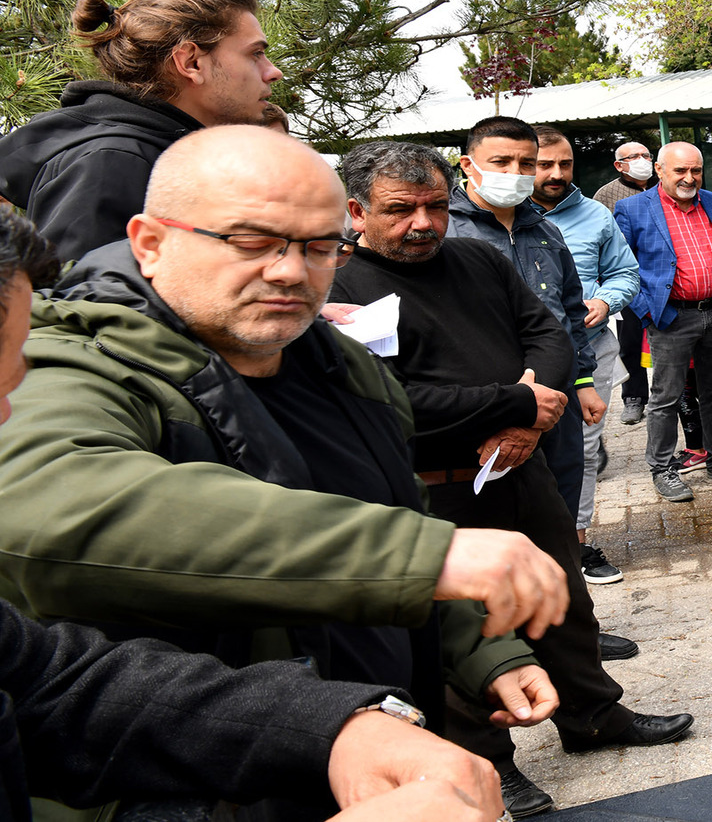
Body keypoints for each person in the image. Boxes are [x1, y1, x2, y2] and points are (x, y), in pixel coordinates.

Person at [0, 126, 568, 821]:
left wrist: (486, 651)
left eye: (320, 247)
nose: (291, 272)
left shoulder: (341, 365)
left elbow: (396, 514)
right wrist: (422, 554)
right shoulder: (73, 365)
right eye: (251, 242)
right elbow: (58, 505)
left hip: (363, 752)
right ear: (150, 242)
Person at [334, 141, 693, 816]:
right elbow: (389, 399)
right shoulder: (341, 291)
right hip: (431, 488)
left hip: (520, 468)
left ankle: (593, 716)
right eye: (400, 209)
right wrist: (517, 403)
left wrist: (529, 420)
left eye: (435, 206)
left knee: (564, 599)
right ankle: (487, 760)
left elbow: (548, 333)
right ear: (357, 212)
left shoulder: (476, 259)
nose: (422, 223)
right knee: (465, 625)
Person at [0, 0, 282, 261]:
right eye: (255, 54)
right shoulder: (113, 161)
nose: (273, 72)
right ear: (191, 63)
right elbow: (86, 287)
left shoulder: (164, 153)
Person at [444, 118, 608, 587]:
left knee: (559, 508)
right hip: (489, 401)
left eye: (525, 163)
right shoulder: (447, 231)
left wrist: (583, 381)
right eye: (501, 162)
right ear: (468, 165)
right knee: (496, 515)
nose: (515, 173)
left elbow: (570, 312)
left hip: (558, 396)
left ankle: (567, 608)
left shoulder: (545, 230)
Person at [527, 125, 641, 584]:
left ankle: (574, 546)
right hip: (518, 359)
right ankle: (527, 549)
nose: (557, 173)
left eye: (565, 163)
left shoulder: (595, 214)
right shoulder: (497, 219)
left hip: (587, 352)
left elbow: (626, 273)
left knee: (583, 451)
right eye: (544, 164)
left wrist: (605, 301)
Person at [612, 142, 712, 503]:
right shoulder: (633, 208)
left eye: (696, 170)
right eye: (680, 170)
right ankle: (662, 468)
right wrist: (648, 311)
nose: (689, 178)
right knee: (666, 396)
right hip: (670, 317)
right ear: (660, 170)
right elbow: (619, 266)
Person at [594, 141, 654, 426]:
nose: (642, 160)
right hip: (628, 279)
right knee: (630, 342)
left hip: (664, 278)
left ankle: (680, 395)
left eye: (646, 155)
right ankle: (634, 398)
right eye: (634, 157)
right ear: (619, 165)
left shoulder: (664, 186)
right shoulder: (606, 195)